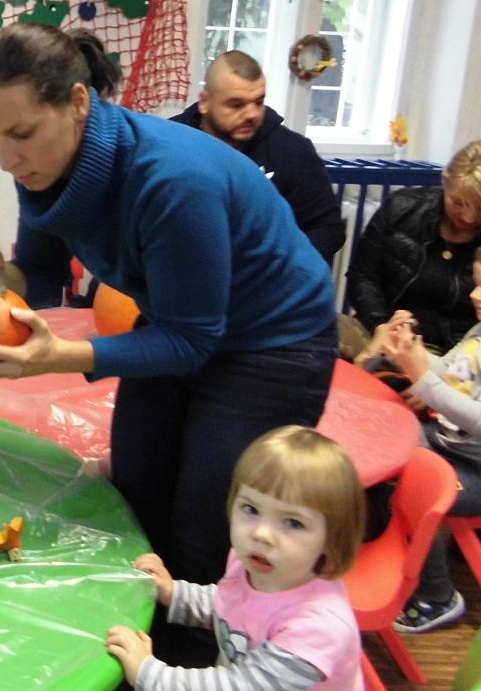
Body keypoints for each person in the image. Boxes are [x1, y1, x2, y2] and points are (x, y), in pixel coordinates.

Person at [0, 23, 337, 663]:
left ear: (78, 103)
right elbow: (41, 279)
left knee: (200, 538)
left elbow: (190, 342)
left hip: (275, 344)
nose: (7, 159)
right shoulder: (43, 169)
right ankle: (130, 658)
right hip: (182, 328)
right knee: (131, 502)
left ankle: (187, 668)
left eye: (20, 133)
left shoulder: (170, 179)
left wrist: (62, 358)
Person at [106, 426, 365, 687]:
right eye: (251, 509)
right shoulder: (253, 563)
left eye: (293, 523)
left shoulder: (315, 631)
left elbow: (237, 686)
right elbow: (235, 605)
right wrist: (176, 594)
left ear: (332, 539)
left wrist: (151, 674)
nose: (261, 534)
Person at [360, 247, 481, 633]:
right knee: (377, 454)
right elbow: (449, 371)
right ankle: (382, 554)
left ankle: (437, 595)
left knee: (410, 488)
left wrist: (423, 380)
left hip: (475, 470)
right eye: (477, 283)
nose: (474, 295)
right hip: (449, 443)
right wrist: (409, 350)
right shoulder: (479, 332)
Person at [171, 50, 345, 264]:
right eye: (236, 104)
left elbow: (327, 228)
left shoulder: (292, 150)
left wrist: (279, 262)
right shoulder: (168, 143)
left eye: (258, 102)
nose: (252, 114)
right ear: (205, 102)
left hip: (266, 277)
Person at [347, 139, 481, 353]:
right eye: (458, 202)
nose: (468, 217)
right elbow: (363, 275)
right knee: (320, 335)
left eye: (480, 208)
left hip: (456, 351)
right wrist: (381, 325)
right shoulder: (401, 207)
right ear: (445, 183)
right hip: (381, 327)